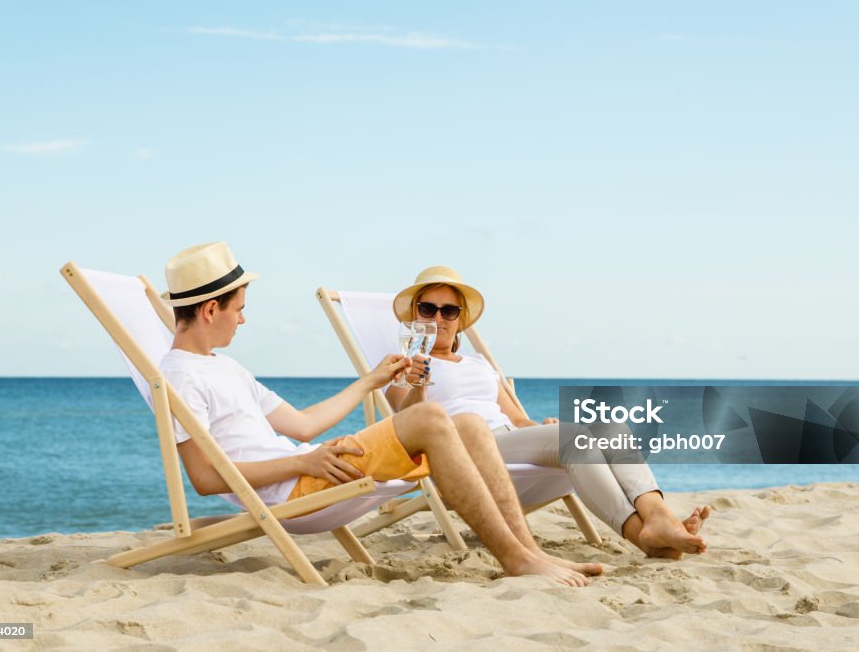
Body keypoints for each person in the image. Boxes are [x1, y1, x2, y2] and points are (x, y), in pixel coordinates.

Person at [158, 242, 600, 585]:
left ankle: (528, 551)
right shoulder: (181, 377)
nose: (242, 321)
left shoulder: (225, 367)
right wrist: (301, 461)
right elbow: (206, 479)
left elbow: (303, 424)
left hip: (312, 468)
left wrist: (371, 380)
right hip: (292, 492)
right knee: (430, 419)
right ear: (211, 309)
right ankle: (517, 558)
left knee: (464, 422)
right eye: (239, 310)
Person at [388, 266, 712, 559]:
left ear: (460, 320)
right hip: (467, 451)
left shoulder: (479, 363)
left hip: (509, 444)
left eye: (449, 310)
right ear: (415, 316)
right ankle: (641, 536)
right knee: (574, 440)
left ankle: (657, 516)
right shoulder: (401, 366)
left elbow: (515, 420)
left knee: (613, 428)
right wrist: (419, 383)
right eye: (428, 308)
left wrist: (541, 430)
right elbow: (406, 425)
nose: (438, 318)